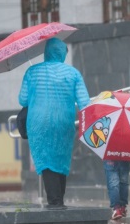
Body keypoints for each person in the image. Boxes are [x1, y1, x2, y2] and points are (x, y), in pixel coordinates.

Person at [18, 38, 90, 209]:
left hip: (38, 123)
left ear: (46, 52)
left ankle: (54, 201)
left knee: (46, 160)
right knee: (60, 159)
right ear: (62, 53)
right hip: (63, 122)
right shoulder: (73, 74)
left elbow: (22, 99)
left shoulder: (32, 72)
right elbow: (85, 102)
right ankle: (58, 199)